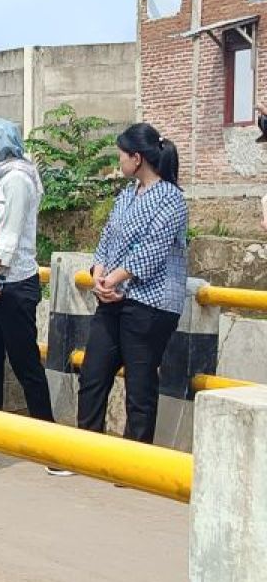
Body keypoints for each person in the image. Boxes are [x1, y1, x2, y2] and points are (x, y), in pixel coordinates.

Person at [78, 123, 187, 445]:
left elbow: (153, 248)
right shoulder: (127, 194)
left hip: (150, 303)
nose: (119, 162)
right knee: (93, 374)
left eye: (122, 155)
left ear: (136, 158)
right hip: (113, 298)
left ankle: (135, 459)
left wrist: (112, 279)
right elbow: (107, 238)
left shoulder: (171, 199)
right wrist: (99, 273)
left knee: (139, 385)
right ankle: (85, 449)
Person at [0, 118, 54, 427]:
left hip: (13, 284)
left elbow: (9, 236)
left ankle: (50, 443)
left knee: (25, 365)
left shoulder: (17, 178)